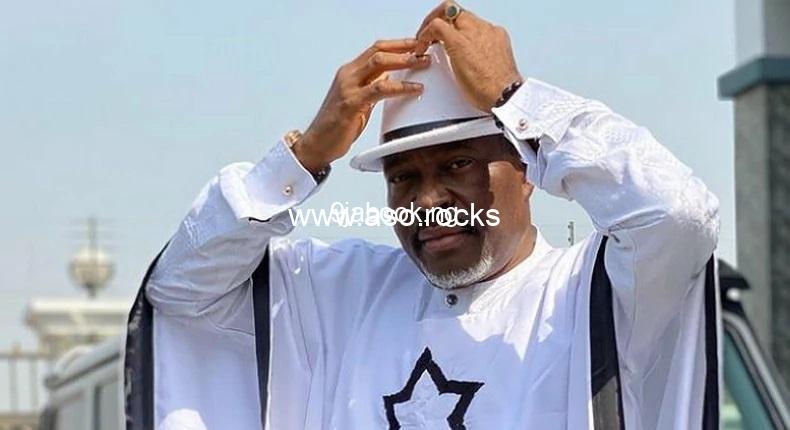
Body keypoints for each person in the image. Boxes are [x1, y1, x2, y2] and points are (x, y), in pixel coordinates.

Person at [125, 2, 721, 429]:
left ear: (527, 167)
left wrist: (518, 100)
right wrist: (301, 158)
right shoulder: (343, 298)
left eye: (458, 164)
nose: (427, 200)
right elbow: (182, 291)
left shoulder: (593, 295)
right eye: (403, 177)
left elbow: (679, 215)